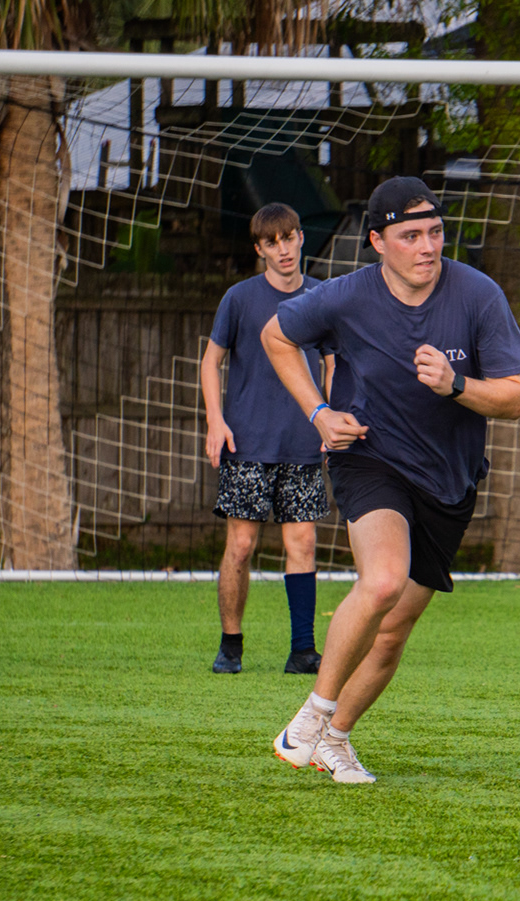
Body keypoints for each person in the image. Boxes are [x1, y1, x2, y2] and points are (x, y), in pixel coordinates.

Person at [260, 177, 520, 783]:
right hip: (370, 456)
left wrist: (457, 385)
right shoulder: (345, 296)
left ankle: (336, 739)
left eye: (435, 233)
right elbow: (275, 337)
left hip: (449, 480)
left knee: (392, 634)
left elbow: (515, 400)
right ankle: (309, 718)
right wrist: (319, 413)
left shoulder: (478, 295)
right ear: (379, 241)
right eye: (411, 236)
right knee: (380, 582)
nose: (427, 247)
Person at [203, 202, 336, 675]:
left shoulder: (323, 296)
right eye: (272, 242)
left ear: (302, 238)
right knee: (240, 546)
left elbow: (332, 362)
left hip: (302, 442)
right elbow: (209, 361)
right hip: (246, 445)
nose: (283, 249)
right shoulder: (239, 299)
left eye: (290, 237)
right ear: (260, 249)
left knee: (302, 543)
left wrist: (329, 419)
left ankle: (303, 651)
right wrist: (216, 420)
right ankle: (231, 645)